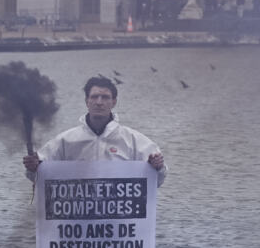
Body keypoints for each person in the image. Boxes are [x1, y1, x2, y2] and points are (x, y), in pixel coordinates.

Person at [23, 76, 166, 186]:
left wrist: (158, 166)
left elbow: (158, 180)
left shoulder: (133, 140)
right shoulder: (65, 140)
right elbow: (38, 177)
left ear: (114, 102)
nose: (99, 102)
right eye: (94, 97)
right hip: (79, 217)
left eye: (105, 97)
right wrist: (34, 167)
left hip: (118, 220)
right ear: (87, 101)